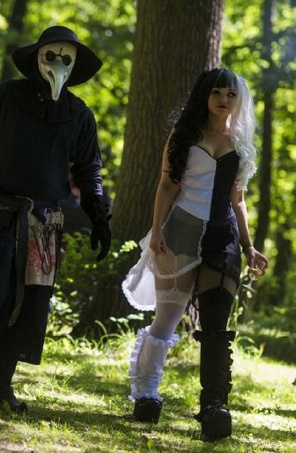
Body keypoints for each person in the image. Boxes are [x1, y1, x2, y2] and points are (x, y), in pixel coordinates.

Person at [0, 25, 111, 412]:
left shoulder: (80, 115)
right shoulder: (4, 97)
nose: (58, 63)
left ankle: (2, 386)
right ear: (37, 57)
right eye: (52, 55)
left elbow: (89, 170)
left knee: (28, 302)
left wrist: (99, 217)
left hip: (44, 221)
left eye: (67, 58)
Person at [122, 68, 269, 441]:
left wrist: (249, 246)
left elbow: (238, 200)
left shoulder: (241, 142)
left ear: (238, 100)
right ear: (205, 96)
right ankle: (146, 394)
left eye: (230, 94)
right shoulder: (185, 134)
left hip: (224, 237)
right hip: (181, 232)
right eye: (217, 92)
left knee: (216, 323)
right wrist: (157, 230)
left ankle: (214, 406)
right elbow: (166, 186)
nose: (224, 99)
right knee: (166, 320)